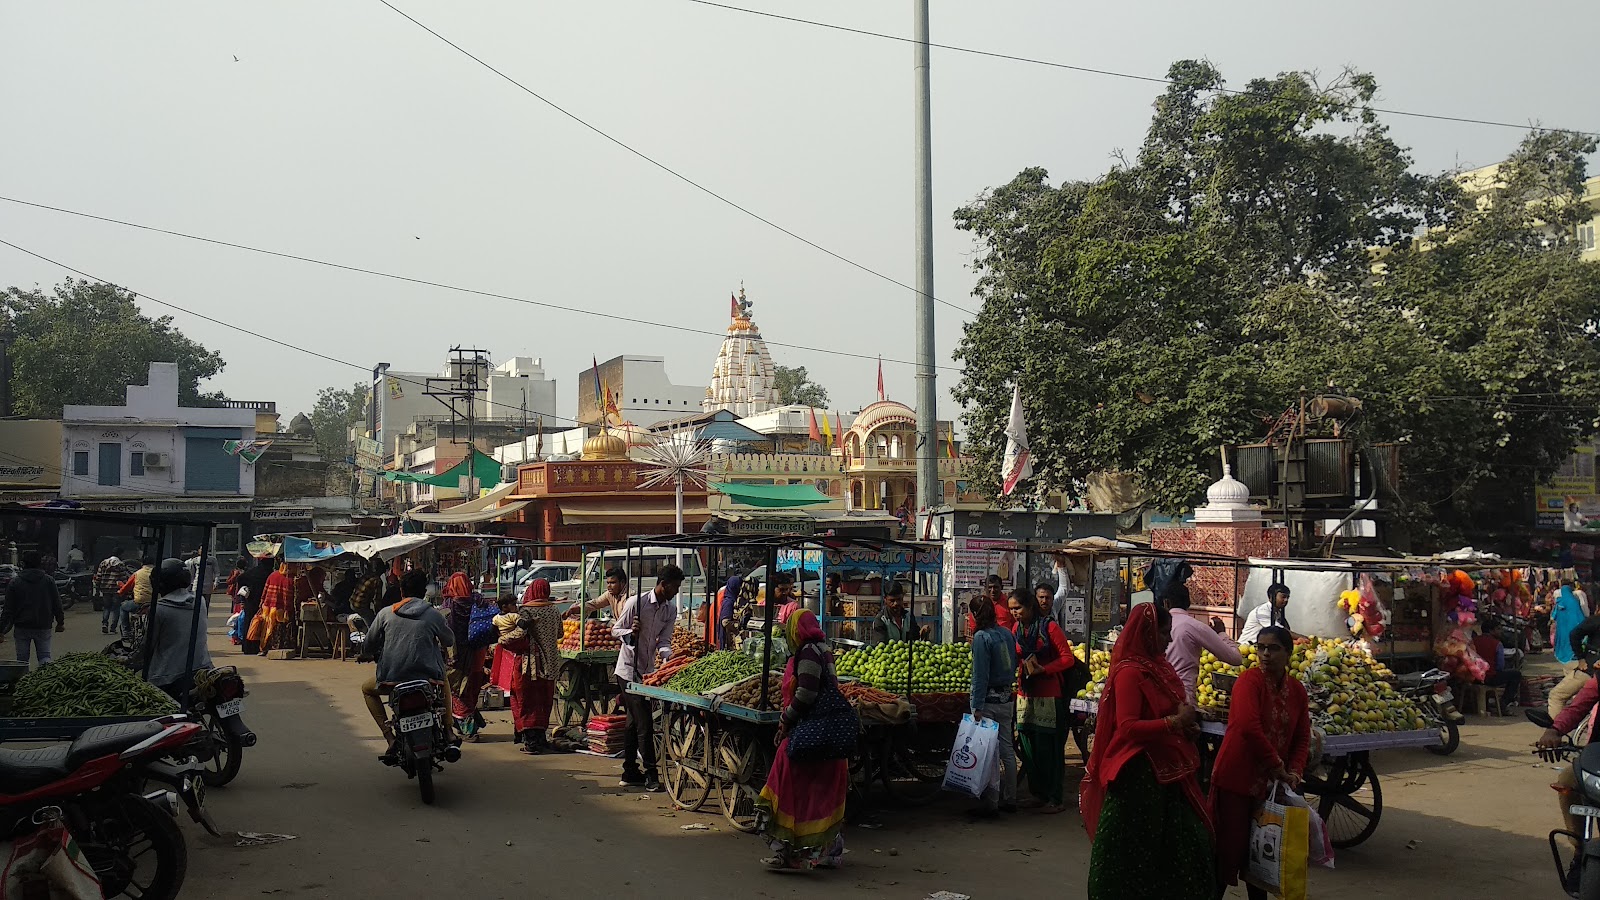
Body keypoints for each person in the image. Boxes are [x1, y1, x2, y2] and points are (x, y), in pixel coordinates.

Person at [1083, 602, 1214, 899]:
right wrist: (1173, 722)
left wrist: (1184, 726)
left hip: (1168, 772)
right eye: (1164, 633)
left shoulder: (1160, 666)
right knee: (1135, 851)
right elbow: (1128, 727)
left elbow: (1172, 710)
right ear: (1148, 633)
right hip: (1138, 775)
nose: (1169, 639)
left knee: (1187, 844)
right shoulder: (1130, 673)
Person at [1209, 626, 1310, 900]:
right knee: (1229, 853)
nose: (1265, 654)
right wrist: (1277, 765)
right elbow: (1247, 726)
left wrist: (1295, 771)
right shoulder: (1248, 682)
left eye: (1273, 648)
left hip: (1270, 788)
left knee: (1262, 859)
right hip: (1237, 780)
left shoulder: (1297, 691)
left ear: (1288, 653)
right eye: (1261, 647)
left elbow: (1303, 736)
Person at [755, 606, 849, 870]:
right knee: (821, 795)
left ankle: (788, 852)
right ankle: (828, 851)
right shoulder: (825, 649)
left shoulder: (807, 652)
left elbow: (806, 693)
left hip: (808, 732)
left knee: (785, 785)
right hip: (826, 733)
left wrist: (785, 720)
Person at [359, 570, 455, 753]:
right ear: (423, 591)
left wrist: (366, 654)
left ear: (401, 591)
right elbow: (449, 640)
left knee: (367, 689)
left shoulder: (385, 614)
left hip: (391, 678)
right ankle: (449, 730)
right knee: (444, 680)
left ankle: (389, 737)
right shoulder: (433, 615)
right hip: (428, 678)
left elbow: (369, 644)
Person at [1010, 587, 1082, 814]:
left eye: (1018, 608)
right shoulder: (1016, 629)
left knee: (1049, 748)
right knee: (1029, 745)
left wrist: (1045, 669)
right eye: (1011, 609)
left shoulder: (1049, 627)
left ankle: (1055, 797)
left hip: (1050, 695)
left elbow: (1067, 658)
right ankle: (1037, 794)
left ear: (1030, 606)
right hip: (1026, 694)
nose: (1015, 613)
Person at [612, 563, 683, 792]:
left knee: (634, 722)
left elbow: (664, 641)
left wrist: (668, 658)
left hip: (648, 671)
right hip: (627, 670)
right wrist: (631, 633)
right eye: (675, 586)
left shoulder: (669, 610)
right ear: (664, 584)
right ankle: (652, 774)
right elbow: (615, 630)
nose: (677, 591)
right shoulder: (637, 603)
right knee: (644, 722)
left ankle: (629, 770)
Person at [493, 578, 563, 754]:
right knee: (544, 700)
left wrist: (501, 640)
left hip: (528, 664)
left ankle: (529, 739)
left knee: (525, 700)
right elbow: (560, 633)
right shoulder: (554, 610)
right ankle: (540, 738)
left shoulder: (525, 611)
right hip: (551, 663)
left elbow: (518, 633)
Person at [968, 593, 1018, 819]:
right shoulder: (1006, 634)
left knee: (988, 754)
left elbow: (980, 676)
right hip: (1007, 699)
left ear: (975, 615)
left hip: (988, 702)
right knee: (1007, 750)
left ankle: (991, 803)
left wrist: (976, 705)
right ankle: (1011, 798)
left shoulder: (981, 638)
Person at [143, 558, 213, 701]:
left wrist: (129, 660)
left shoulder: (159, 609)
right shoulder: (200, 601)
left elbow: (148, 646)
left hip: (169, 677)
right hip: (204, 668)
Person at [1164, 583, 1243, 705]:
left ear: (1166, 603)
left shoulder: (1156, 626)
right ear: (1188, 603)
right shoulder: (1195, 626)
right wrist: (1221, 633)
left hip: (1158, 696)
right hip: (1184, 699)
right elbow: (1235, 658)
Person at [442, 576, 492, 741]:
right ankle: (469, 720)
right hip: (478, 652)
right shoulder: (478, 599)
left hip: (456, 654)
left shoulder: (450, 604)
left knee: (458, 690)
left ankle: (468, 728)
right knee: (472, 687)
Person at [1, 551, 64, 668]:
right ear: (40, 564)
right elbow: (57, 603)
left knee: (22, 660)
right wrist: (60, 622)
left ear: (23, 564)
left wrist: (1, 630)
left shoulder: (15, 582)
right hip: (43, 625)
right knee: (45, 656)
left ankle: (23, 683)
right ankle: (45, 682)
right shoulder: (49, 580)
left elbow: (8, 609)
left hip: (22, 626)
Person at [1548, 583, 1590, 718]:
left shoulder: (1560, 604)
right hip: (1579, 652)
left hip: (1571, 650)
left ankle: (1555, 732)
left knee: (1557, 694)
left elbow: (1553, 619)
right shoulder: (1577, 607)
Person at [247, 561, 294, 656]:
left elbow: (265, 591)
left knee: (267, 629)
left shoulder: (272, 575)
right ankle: (279, 647)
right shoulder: (291, 579)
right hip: (283, 610)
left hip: (268, 608)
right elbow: (292, 596)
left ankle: (265, 648)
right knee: (281, 629)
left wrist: (262, 602)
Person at [1472, 627, 1524, 707]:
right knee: (1516, 675)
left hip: (1473, 677)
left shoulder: (1473, 641)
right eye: (1498, 629)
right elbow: (1500, 666)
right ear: (1491, 630)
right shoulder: (1497, 644)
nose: (1500, 631)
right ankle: (1503, 703)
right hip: (1489, 677)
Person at [236, 555, 274, 655]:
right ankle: (259, 646)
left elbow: (240, 579)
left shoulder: (253, 572)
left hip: (251, 601)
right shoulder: (270, 573)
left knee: (249, 622)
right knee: (262, 624)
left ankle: (247, 647)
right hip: (264, 603)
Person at [95, 554, 130, 635]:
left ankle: (104, 624)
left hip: (105, 589)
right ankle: (113, 628)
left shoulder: (103, 563)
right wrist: (125, 590)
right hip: (116, 590)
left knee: (106, 607)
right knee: (116, 608)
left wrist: (97, 586)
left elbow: (98, 576)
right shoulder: (120, 564)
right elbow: (124, 578)